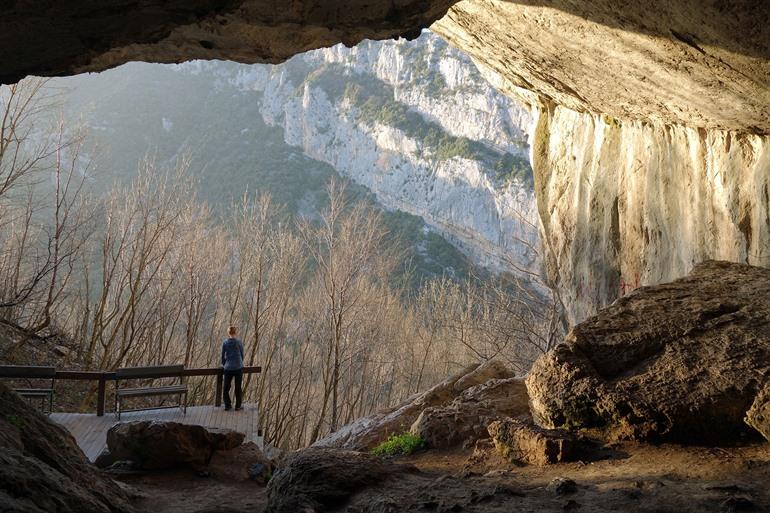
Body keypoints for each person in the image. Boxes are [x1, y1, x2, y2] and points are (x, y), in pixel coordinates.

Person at [221, 326, 244, 411]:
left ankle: (227, 405)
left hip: (228, 368)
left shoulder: (225, 343)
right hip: (238, 367)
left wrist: (224, 364)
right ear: (235, 333)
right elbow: (242, 354)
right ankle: (238, 406)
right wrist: (240, 362)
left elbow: (222, 356)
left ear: (228, 333)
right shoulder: (239, 342)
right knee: (238, 387)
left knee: (226, 387)